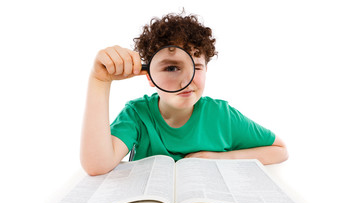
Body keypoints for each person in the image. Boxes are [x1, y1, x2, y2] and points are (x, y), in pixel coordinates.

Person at [80, 12, 288, 176]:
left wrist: (216, 158)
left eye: (196, 67)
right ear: (150, 76)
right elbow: (96, 165)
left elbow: (279, 150)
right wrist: (99, 81)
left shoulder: (221, 115)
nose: (184, 81)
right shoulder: (137, 115)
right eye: (171, 68)